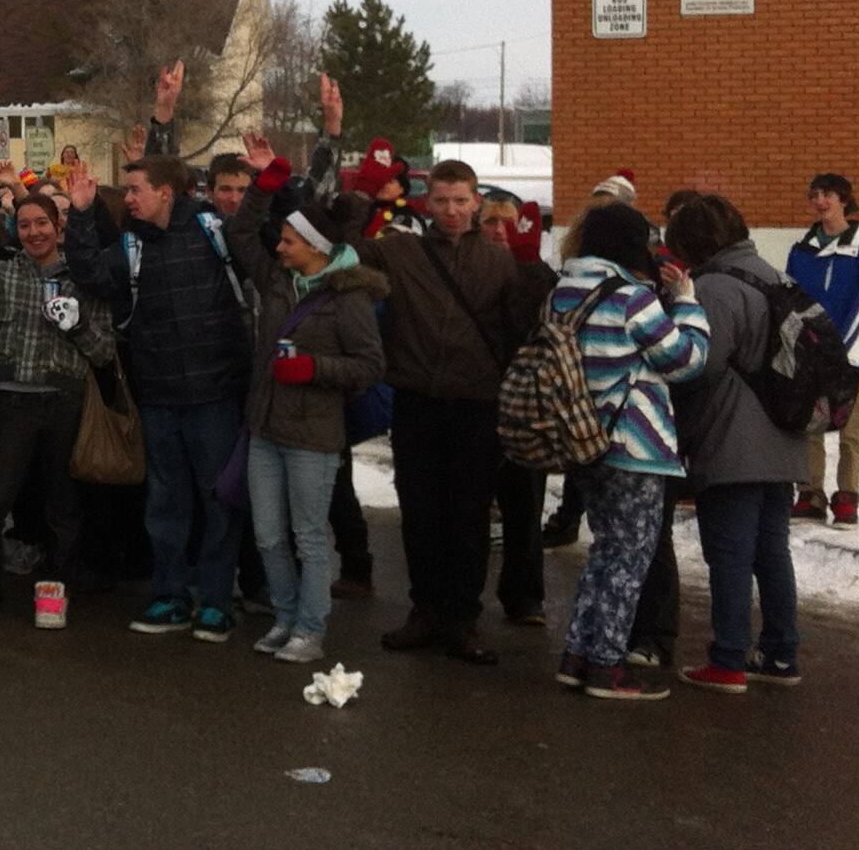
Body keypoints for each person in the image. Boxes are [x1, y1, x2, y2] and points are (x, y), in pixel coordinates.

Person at [314, 83, 533, 662]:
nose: (453, 211)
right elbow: (342, 249)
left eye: (462, 201)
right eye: (442, 201)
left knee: (467, 518)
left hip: (478, 407)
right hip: (416, 402)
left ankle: (462, 618)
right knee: (420, 514)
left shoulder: (502, 262)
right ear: (426, 201)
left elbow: (524, 328)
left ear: (478, 200)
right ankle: (424, 610)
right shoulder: (403, 251)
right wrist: (354, 176)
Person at [64, 137, 251, 643]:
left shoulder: (215, 232)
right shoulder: (132, 245)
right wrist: (80, 215)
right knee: (165, 502)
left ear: (165, 192)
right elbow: (91, 274)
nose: (127, 198)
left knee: (219, 500)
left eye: (134, 189)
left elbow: (265, 242)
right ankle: (169, 594)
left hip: (214, 394)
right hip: (159, 395)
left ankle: (215, 599)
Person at [222, 135, 388, 664]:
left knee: (309, 537)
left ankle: (310, 630)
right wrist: (265, 187)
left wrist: (314, 368)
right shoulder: (276, 280)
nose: (279, 246)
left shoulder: (347, 297)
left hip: (314, 437)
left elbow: (369, 367)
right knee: (269, 536)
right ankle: (286, 617)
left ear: (315, 247)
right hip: (265, 428)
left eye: (289, 239)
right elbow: (241, 232)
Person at [549, 202, 710, 703]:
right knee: (629, 558)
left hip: (584, 441)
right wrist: (687, 303)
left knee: (603, 551)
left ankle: (577, 656)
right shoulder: (631, 297)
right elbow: (684, 360)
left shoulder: (562, 290)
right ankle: (607, 668)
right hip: (634, 444)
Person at [0, 188, 115, 630]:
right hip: (15, 400)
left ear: (58, 226)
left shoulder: (83, 277)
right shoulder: (5, 272)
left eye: (42, 223)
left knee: (62, 503)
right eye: (24, 224)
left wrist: (76, 327)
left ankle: (55, 587)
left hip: (65, 400)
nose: (34, 232)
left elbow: (105, 351)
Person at [661, 193, 807, 693]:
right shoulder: (773, 275)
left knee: (729, 555)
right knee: (772, 553)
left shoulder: (715, 287)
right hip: (783, 437)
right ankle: (782, 655)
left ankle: (728, 658)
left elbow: (697, 364)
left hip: (731, 440)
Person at [785, 172, 859, 527]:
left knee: (851, 430)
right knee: (809, 427)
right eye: (814, 195)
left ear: (844, 199)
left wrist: (849, 353)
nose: (820, 201)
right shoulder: (800, 251)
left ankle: (847, 497)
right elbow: (790, 301)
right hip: (810, 355)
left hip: (850, 355)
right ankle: (810, 494)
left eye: (827, 194)